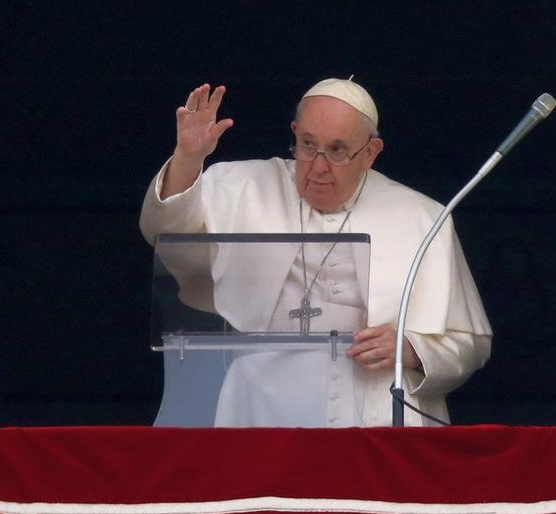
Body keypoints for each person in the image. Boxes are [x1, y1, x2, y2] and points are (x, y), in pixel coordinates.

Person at [140, 78, 492, 426]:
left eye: (337, 150)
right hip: (259, 407)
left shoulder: (421, 217)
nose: (318, 166)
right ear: (294, 133)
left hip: (375, 411)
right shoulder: (243, 185)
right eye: (308, 145)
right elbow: (165, 234)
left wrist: (414, 351)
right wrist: (187, 159)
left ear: (370, 152)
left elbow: (470, 343)